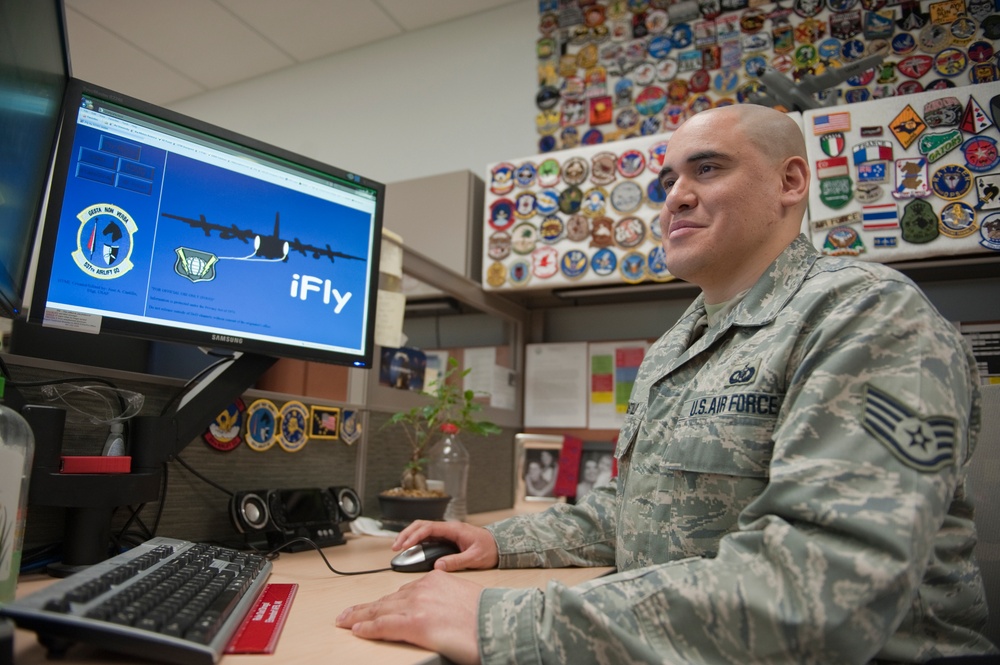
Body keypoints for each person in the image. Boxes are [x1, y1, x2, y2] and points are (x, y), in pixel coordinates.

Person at [336, 104, 996, 664]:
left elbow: (821, 594)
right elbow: (631, 510)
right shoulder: (676, 346)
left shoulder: (866, 317)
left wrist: (502, 620)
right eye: (669, 178)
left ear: (791, 181)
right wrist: (503, 541)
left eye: (707, 168)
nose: (675, 195)